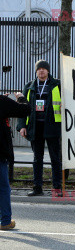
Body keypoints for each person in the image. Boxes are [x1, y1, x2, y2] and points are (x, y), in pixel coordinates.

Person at [17, 60, 62, 196]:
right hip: (35, 127)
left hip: (53, 126)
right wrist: (22, 126)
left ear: (48, 71)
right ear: (36, 71)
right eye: (39, 69)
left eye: (44, 69)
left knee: (55, 158)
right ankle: (37, 187)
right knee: (37, 158)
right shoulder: (29, 86)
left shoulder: (57, 84)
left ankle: (57, 188)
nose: (41, 71)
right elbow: (22, 108)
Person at [0, 91, 31, 230]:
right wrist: (20, 98)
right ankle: (5, 221)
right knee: (3, 188)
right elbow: (25, 110)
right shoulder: (2, 102)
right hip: (0, 152)